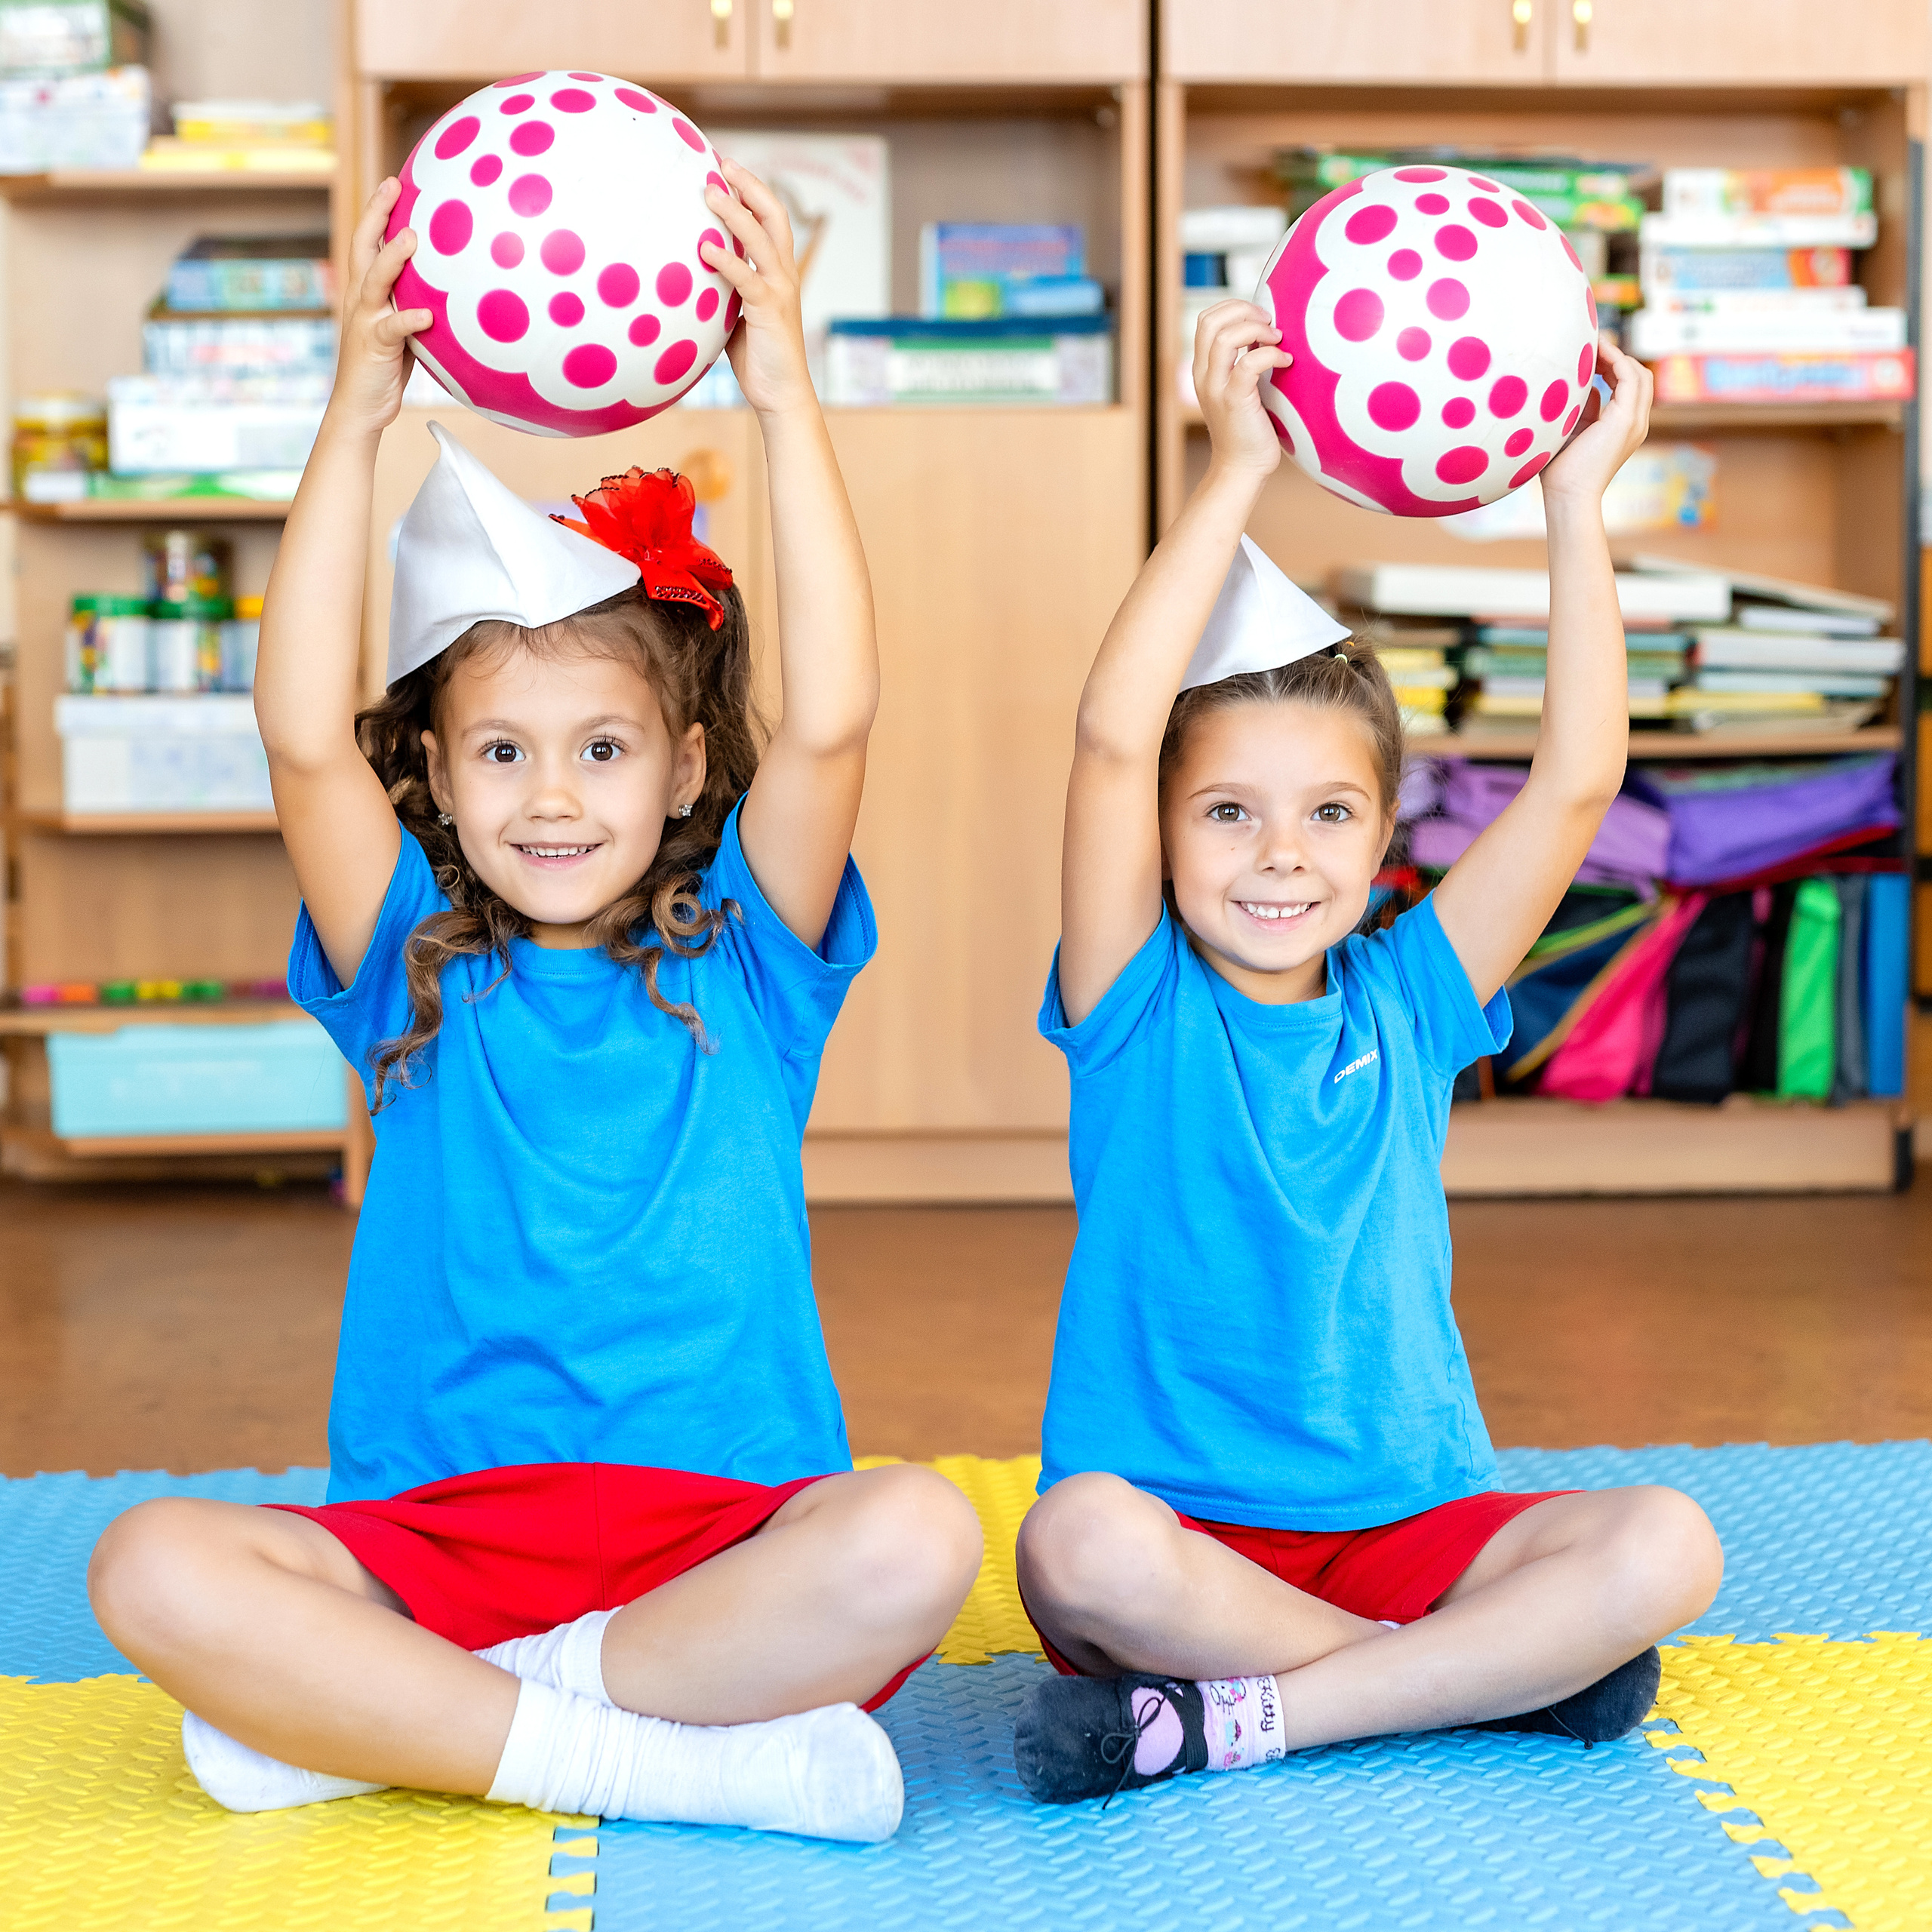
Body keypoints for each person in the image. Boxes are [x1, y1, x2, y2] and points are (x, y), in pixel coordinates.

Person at [87, 164, 980, 1844]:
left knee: (920, 1532)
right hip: (431, 1546)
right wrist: (356, 418)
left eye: (603, 748)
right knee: (145, 1561)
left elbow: (840, 720)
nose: (551, 797)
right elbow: (292, 733)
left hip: (725, 1553)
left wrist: (779, 383)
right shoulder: (409, 954)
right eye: (501, 750)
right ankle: (633, 1752)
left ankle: (421, 1726)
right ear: (433, 769)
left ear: (687, 765)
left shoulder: (749, 957)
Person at [1010, 299, 1722, 1804]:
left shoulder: (1407, 992)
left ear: (1386, 835)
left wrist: (1569, 501)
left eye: (1327, 812)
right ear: (1159, 831)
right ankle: (1465, 1683)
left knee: (1670, 1536)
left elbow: (1576, 781)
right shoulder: (1133, 997)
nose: (1279, 854)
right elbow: (1102, 735)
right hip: (1175, 1545)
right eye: (1225, 811)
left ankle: (1251, 1714)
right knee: (1070, 1535)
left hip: (1412, 1519)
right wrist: (1225, 475)